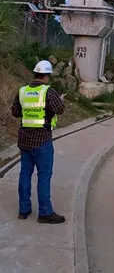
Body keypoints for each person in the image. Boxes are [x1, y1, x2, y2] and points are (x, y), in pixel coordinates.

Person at [9, 60, 65, 224]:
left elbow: (15, 112)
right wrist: (61, 101)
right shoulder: (49, 92)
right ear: (46, 76)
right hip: (42, 140)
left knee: (25, 174)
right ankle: (45, 212)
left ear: (35, 74)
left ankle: (24, 210)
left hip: (24, 140)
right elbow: (59, 109)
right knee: (44, 176)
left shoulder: (22, 91)